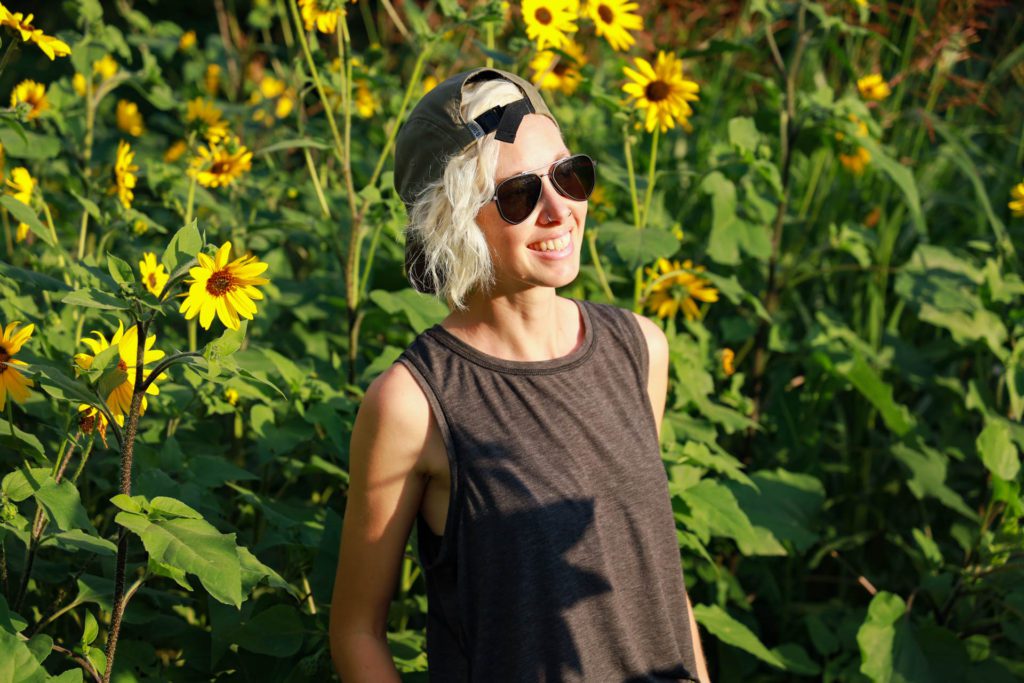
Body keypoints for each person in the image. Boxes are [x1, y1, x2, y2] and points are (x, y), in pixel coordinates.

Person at [329, 67, 710, 682]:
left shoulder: (641, 348)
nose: (560, 210)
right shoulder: (414, 404)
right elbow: (356, 631)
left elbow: (653, 575)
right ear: (453, 220)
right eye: (518, 195)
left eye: (569, 175)